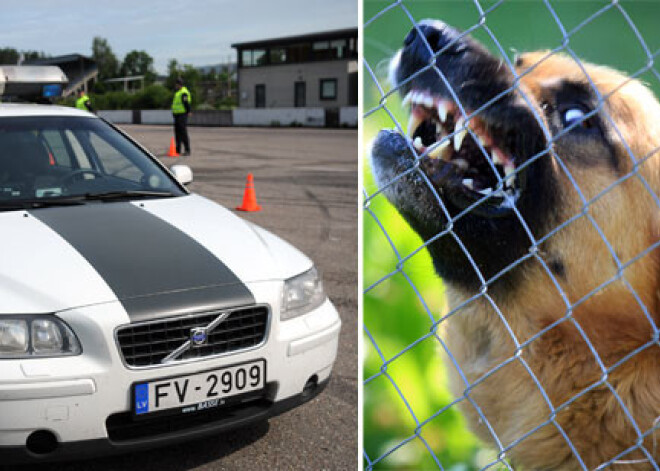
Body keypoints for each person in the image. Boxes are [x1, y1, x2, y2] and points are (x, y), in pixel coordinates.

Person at [171, 77, 191, 156]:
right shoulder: (178, 92)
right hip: (177, 115)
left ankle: (187, 150)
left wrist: (188, 111)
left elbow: (186, 103)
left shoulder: (184, 92)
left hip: (182, 114)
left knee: (183, 132)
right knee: (177, 132)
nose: (175, 86)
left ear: (179, 84)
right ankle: (177, 150)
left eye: (176, 84)